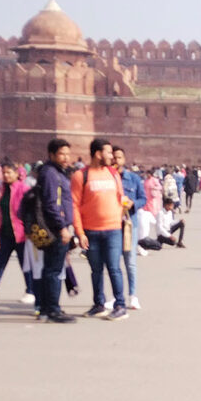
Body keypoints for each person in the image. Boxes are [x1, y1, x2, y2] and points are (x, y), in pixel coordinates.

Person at [72, 137, 128, 321]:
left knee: (113, 268)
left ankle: (120, 305)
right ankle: (99, 304)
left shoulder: (113, 174)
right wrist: (79, 232)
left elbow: (121, 197)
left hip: (113, 230)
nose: (112, 156)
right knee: (95, 270)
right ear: (98, 154)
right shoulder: (81, 176)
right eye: (109, 152)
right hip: (91, 231)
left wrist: (123, 209)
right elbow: (74, 205)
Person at [31, 139, 77, 322]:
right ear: (51, 155)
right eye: (61, 154)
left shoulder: (56, 172)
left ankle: (45, 307)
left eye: (67, 154)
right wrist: (62, 227)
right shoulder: (51, 174)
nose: (66, 158)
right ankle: (53, 309)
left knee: (50, 269)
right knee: (54, 270)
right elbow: (51, 205)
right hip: (56, 228)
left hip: (55, 227)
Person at [0, 161, 34, 304]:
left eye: (9, 172)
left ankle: (30, 291)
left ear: (17, 173)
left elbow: (30, 211)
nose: (6, 175)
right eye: (4, 173)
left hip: (21, 235)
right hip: (4, 234)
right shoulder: (0, 190)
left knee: (25, 264)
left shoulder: (24, 190)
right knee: (0, 264)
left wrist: (29, 229)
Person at [113, 147, 146, 310]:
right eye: (113, 157)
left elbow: (143, 198)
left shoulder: (133, 179)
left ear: (124, 159)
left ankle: (133, 295)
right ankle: (116, 296)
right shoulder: (108, 179)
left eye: (119, 157)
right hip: (111, 225)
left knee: (130, 262)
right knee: (114, 263)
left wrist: (134, 204)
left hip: (128, 225)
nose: (116, 160)